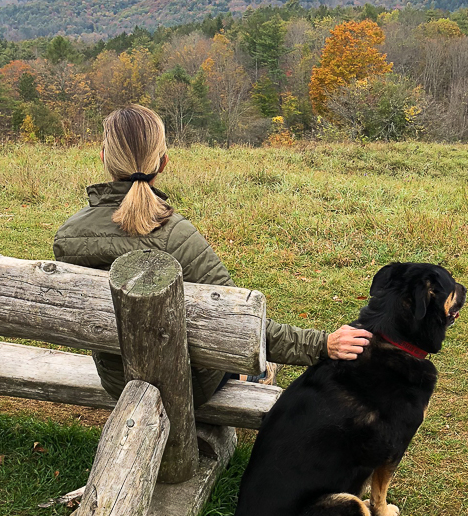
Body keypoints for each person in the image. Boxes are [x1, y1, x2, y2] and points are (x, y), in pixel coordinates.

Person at [53, 105, 372, 406]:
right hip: (186, 386)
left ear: (104, 158)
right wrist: (323, 344)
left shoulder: (68, 235)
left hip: (117, 380)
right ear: (163, 162)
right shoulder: (176, 236)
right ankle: (257, 375)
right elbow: (239, 325)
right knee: (251, 354)